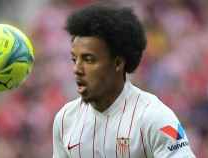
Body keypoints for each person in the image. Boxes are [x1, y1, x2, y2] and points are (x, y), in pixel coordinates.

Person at [53, 3, 195, 158]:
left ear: (118, 63)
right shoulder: (65, 119)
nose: (77, 69)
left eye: (88, 59)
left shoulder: (156, 117)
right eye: (75, 59)